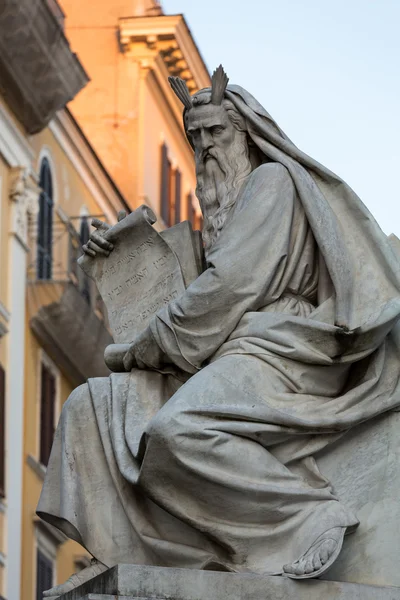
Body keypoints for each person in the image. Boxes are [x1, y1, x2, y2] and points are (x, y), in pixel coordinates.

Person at [38, 66, 400, 598]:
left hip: (283, 347)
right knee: (89, 405)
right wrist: (124, 256)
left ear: (246, 133)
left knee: (178, 430)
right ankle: (131, 548)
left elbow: (231, 286)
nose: (204, 147)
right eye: (195, 137)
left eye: (216, 133)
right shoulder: (223, 204)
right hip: (220, 349)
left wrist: (148, 344)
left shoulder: (270, 182)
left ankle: (309, 518)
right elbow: (206, 286)